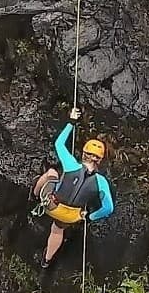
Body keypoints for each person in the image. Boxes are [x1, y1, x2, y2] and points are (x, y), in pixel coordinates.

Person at [31, 106, 113, 266]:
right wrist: (89, 217)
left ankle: (34, 196)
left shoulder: (71, 165)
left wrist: (71, 122)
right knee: (57, 229)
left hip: (51, 205)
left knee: (52, 173)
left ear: (83, 153)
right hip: (71, 216)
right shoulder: (101, 182)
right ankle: (46, 260)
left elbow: (59, 144)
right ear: (100, 160)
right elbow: (108, 208)